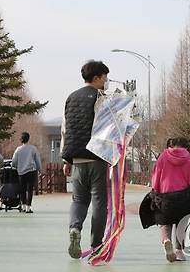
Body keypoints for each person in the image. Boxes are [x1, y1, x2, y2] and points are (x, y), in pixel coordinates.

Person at [62, 60, 109, 259]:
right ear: (97, 78)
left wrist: (67, 159)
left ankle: (75, 228)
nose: (106, 81)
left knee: (79, 199)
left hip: (77, 158)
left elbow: (65, 129)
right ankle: (96, 244)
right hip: (97, 157)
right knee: (99, 202)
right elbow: (109, 128)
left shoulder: (71, 98)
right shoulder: (102, 98)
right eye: (105, 77)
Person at [150, 137, 190, 263]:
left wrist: (155, 191)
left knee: (165, 222)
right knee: (181, 224)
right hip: (184, 197)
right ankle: (179, 251)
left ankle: (166, 240)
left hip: (165, 195)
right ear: (185, 146)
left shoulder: (163, 157)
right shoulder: (189, 159)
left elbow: (156, 175)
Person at [12, 131, 42, 213]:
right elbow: (37, 160)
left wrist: (15, 167)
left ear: (21, 139)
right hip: (31, 171)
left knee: (22, 189)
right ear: (28, 139)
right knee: (30, 190)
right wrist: (39, 169)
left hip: (21, 172)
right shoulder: (33, 148)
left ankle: (23, 206)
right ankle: (28, 208)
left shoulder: (18, 149)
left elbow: (14, 161)